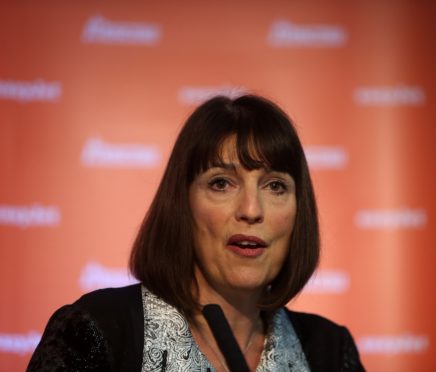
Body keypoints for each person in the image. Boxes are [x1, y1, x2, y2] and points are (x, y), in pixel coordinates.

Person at [28, 94, 365, 371]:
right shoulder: (97, 330)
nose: (251, 210)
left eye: (275, 186)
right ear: (182, 205)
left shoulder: (329, 351)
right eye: (221, 183)